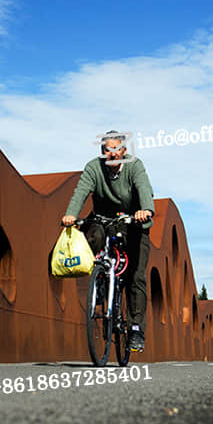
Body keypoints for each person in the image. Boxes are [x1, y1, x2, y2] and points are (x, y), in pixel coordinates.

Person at [61, 131, 154, 352]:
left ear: (123, 151)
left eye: (116, 150)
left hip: (133, 222)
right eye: (106, 150)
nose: (111, 154)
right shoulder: (94, 167)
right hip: (104, 219)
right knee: (92, 234)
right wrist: (70, 214)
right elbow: (81, 191)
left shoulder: (134, 166)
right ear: (102, 152)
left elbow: (143, 189)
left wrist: (146, 210)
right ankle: (101, 279)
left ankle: (135, 330)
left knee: (136, 276)